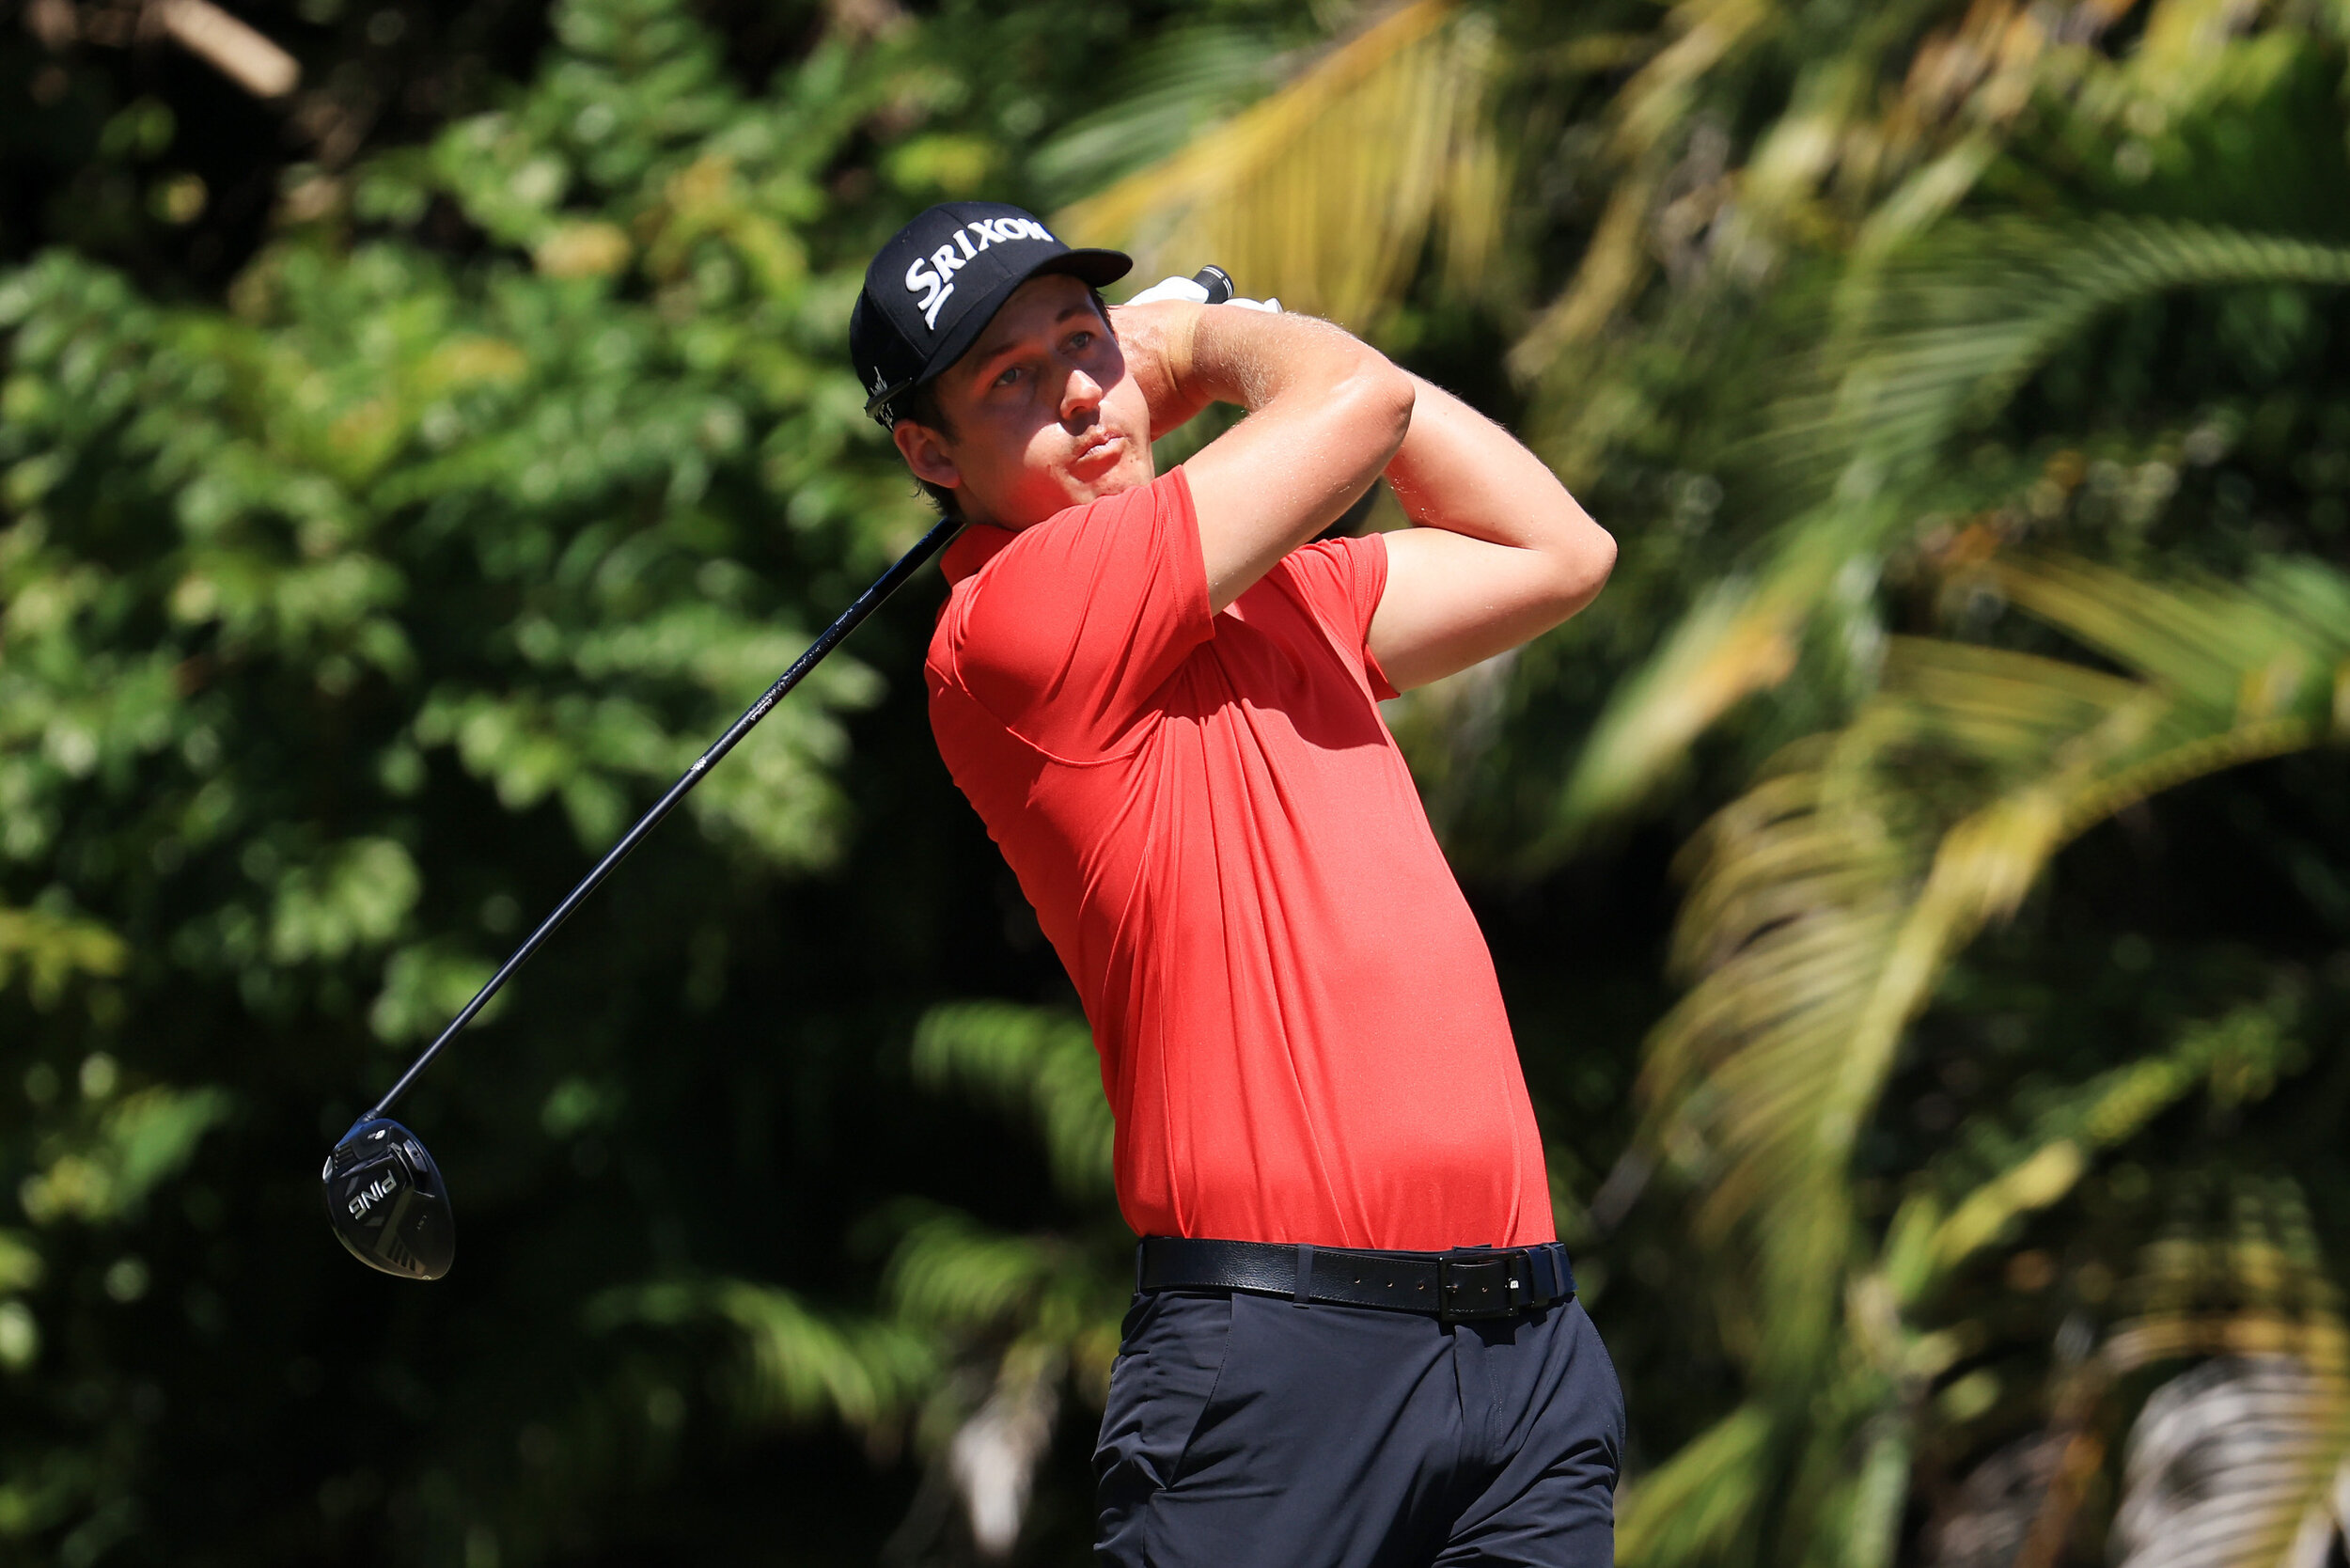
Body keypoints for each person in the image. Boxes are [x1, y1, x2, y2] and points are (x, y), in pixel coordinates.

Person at [850, 202, 1622, 1567]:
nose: (1081, 393)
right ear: (930, 453)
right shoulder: (1013, 626)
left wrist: (1219, 351)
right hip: (1282, 1360)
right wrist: (1206, 341)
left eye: (1083, 344)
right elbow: (1358, 397)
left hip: (1528, 1352)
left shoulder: (1283, 599)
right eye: (1010, 381)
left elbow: (1556, 552)